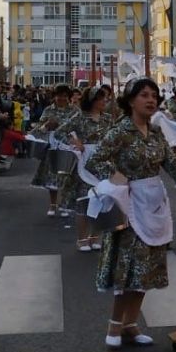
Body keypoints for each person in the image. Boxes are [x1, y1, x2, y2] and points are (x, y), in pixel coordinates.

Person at [86, 78, 176, 347]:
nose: (151, 100)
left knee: (145, 269)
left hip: (154, 202)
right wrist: (115, 176)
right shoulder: (121, 131)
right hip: (129, 205)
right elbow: (95, 160)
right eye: (144, 95)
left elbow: (171, 161)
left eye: (154, 95)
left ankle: (131, 324)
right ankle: (114, 326)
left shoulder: (156, 131)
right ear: (131, 100)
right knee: (127, 268)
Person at [62, 85, 115, 250]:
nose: (104, 101)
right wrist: (75, 141)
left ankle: (95, 236)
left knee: (102, 199)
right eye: (101, 98)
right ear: (93, 101)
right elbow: (60, 132)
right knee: (85, 201)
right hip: (85, 163)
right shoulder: (80, 117)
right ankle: (82, 239)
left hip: (104, 162)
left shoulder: (108, 119)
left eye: (105, 98)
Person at [29, 85, 77, 215]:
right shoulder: (48, 110)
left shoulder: (74, 110)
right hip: (52, 146)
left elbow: (79, 127)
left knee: (66, 177)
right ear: (55, 96)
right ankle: (52, 204)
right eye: (59, 95)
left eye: (64, 96)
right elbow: (39, 128)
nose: (61, 98)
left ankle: (64, 203)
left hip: (69, 146)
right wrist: (46, 125)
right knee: (52, 176)